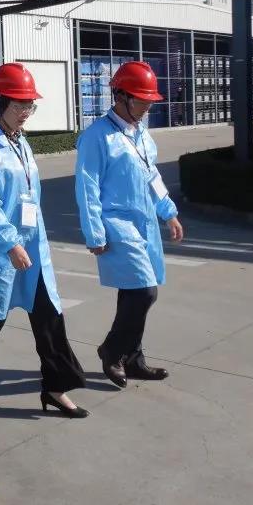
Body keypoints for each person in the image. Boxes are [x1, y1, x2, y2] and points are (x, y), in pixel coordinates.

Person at [0, 63, 87, 417]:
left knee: (49, 315)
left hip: (33, 249)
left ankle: (55, 388)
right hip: (1, 251)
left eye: (30, 105)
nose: (25, 112)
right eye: (19, 105)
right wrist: (10, 243)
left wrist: (31, 242)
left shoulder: (20, 142)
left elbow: (30, 197)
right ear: (0, 102)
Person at [75, 61, 184, 389]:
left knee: (133, 291)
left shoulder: (141, 134)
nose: (148, 106)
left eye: (150, 101)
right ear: (120, 96)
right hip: (116, 223)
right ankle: (112, 349)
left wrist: (168, 212)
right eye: (142, 100)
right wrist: (94, 232)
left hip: (144, 222)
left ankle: (133, 359)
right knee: (144, 291)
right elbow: (87, 187)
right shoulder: (97, 136)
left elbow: (152, 176)